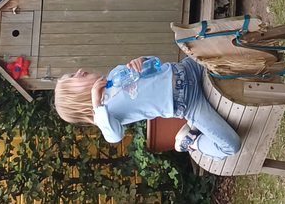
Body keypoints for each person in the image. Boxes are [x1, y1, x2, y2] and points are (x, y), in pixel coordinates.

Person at [54, 56, 239, 158]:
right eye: (73, 77)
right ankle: (191, 141)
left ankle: (194, 126)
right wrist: (97, 103)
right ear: (76, 99)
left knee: (219, 50)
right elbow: (114, 137)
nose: (78, 71)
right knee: (230, 146)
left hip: (187, 69)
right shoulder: (107, 114)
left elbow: (154, 67)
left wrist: (142, 61)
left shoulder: (115, 74)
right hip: (190, 103)